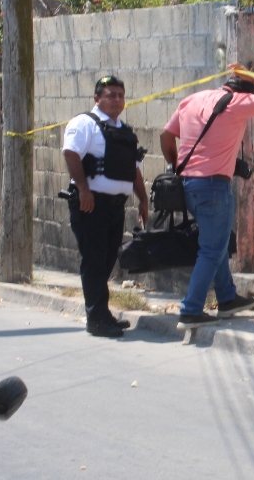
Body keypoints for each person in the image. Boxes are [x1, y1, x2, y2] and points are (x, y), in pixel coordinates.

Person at [160, 64, 254, 329]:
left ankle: (227, 298)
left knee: (215, 243)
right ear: (247, 92)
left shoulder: (192, 99)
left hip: (188, 186)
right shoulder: (239, 102)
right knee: (213, 248)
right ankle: (191, 309)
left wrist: (177, 166)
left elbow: (166, 135)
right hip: (214, 188)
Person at [62, 75, 149, 338]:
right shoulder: (84, 123)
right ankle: (96, 319)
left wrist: (143, 199)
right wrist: (84, 189)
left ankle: (103, 313)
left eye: (120, 95)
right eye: (110, 94)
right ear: (97, 98)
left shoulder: (123, 130)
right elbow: (70, 153)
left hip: (115, 207)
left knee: (108, 260)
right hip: (91, 205)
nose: (116, 99)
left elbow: (132, 170)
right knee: (95, 260)